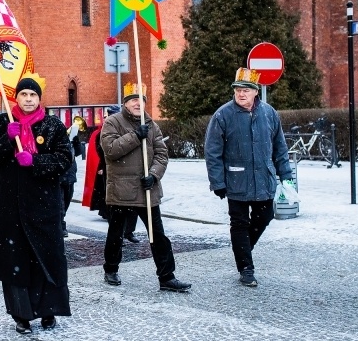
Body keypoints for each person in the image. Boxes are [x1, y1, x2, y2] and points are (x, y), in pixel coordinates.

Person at [0, 75, 72, 334]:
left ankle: (48, 311)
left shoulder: (52, 125)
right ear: (16, 97)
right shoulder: (2, 122)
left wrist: (36, 162)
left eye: (33, 95)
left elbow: (65, 158)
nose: (28, 99)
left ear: (39, 98)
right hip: (11, 206)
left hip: (44, 207)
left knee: (47, 259)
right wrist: (5, 141)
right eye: (24, 95)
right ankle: (21, 314)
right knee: (15, 261)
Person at [205, 68, 292, 287]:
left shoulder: (269, 113)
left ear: (256, 92)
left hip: (264, 178)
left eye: (246, 90)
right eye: (238, 90)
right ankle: (246, 268)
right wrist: (217, 182)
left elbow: (280, 148)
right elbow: (212, 151)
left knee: (265, 217)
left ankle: (242, 248)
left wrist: (286, 175)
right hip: (236, 180)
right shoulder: (223, 115)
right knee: (239, 223)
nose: (241, 94)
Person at [101, 83, 191, 292]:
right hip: (121, 190)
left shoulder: (151, 124)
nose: (137, 103)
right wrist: (135, 136)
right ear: (125, 103)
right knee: (116, 233)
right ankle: (111, 268)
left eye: (141, 99)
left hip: (146, 190)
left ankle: (167, 276)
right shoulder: (112, 122)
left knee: (157, 234)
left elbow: (161, 154)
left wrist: (154, 175)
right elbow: (111, 150)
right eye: (132, 99)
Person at [60, 125, 83, 236]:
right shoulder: (58, 140)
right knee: (60, 203)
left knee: (67, 200)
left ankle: (61, 222)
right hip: (60, 177)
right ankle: (61, 226)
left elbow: (78, 153)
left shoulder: (69, 139)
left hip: (70, 176)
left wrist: (76, 142)